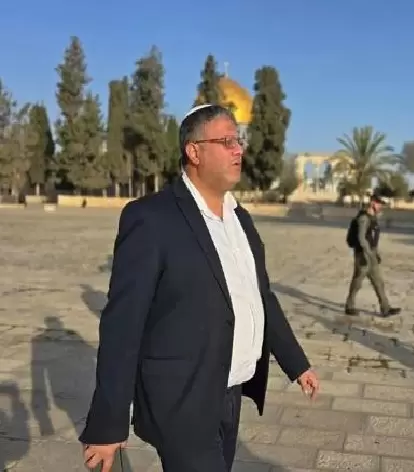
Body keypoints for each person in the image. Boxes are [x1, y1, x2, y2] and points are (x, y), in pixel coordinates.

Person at [79, 104, 320, 472]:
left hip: (230, 393)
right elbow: (122, 325)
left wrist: (297, 364)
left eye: (238, 141)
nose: (239, 150)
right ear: (194, 151)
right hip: (180, 399)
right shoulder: (151, 218)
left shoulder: (240, 219)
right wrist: (107, 424)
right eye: (227, 142)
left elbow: (261, 297)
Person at [345, 194, 401, 317]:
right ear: (372, 203)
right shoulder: (363, 218)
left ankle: (385, 308)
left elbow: (372, 238)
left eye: (381, 204)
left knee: (378, 282)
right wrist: (369, 253)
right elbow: (361, 238)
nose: (380, 206)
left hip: (371, 255)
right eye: (378, 203)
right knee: (357, 282)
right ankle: (349, 306)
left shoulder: (373, 218)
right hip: (363, 255)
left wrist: (376, 254)